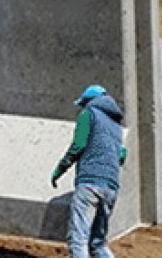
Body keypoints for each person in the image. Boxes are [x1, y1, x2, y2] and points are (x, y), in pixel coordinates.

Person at [51, 85, 128, 258]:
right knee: (98, 243)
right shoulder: (115, 125)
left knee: (78, 239)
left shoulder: (88, 114)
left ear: (89, 101)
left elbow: (78, 145)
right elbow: (121, 155)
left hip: (89, 183)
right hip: (111, 188)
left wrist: (60, 168)